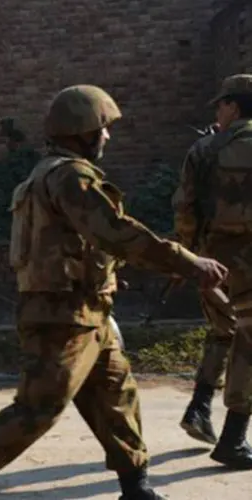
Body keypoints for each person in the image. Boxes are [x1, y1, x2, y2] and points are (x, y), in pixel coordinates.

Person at [0, 84, 229, 500]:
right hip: (60, 315)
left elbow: (88, 244)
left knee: (117, 397)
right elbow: (116, 231)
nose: (107, 136)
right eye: (102, 128)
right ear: (80, 130)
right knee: (38, 408)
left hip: (85, 310)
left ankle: (135, 487)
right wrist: (188, 262)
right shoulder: (70, 176)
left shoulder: (47, 174)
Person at [173, 73, 252, 469]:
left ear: (234, 106)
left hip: (213, 263)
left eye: (220, 104)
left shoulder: (202, 149)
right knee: (248, 342)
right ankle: (234, 439)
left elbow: (185, 209)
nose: (217, 111)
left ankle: (200, 408)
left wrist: (187, 254)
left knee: (223, 331)